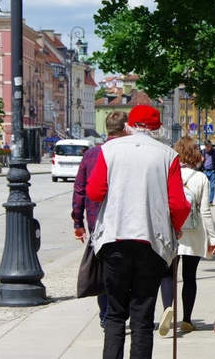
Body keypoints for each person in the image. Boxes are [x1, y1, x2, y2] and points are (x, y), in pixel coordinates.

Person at [87, 105, 191, 359]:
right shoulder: (167, 155)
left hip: (115, 237)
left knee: (115, 313)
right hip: (151, 241)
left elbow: (94, 192)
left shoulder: (108, 150)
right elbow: (178, 204)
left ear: (128, 126)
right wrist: (175, 228)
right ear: (157, 128)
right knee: (142, 316)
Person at [72, 111, 128, 329]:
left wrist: (78, 222)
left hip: (98, 224)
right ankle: (123, 312)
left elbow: (79, 190)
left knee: (105, 271)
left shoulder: (91, 155)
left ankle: (107, 315)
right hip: (124, 221)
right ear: (125, 129)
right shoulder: (127, 154)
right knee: (126, 270)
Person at [157, 136, 215, 336]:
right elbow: (205, 211)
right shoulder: (201, 178)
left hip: (171, 231)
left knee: (168, 275)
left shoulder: (168, 175)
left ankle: (167, 308)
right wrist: (213, 238)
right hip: (193, 233)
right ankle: (186, 320)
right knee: (190, 277)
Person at [201, 140, 215, 205]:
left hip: (212, 171)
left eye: (209, 147)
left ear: (211, 146)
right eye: (206, 147)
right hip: (204, 171)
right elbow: (197, 160)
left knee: (212, 187)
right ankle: (204, 200)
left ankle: (210, 201)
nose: (207, 148)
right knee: (204, 187)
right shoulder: (202, 152)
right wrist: (201, 160)